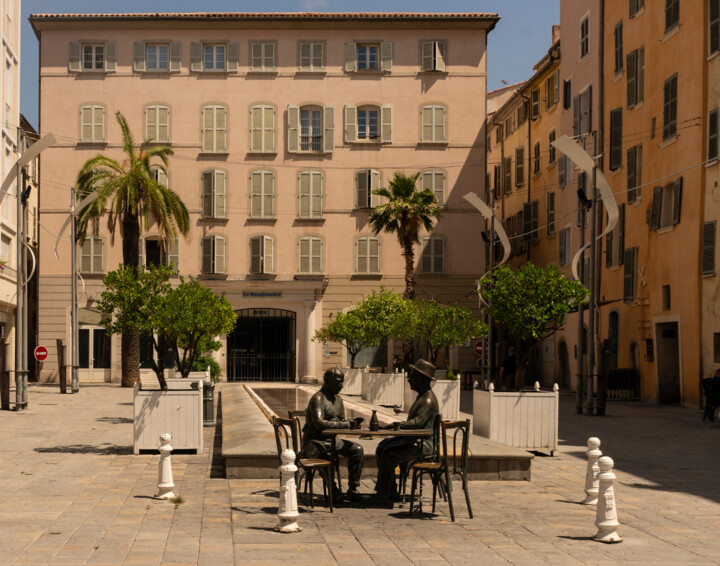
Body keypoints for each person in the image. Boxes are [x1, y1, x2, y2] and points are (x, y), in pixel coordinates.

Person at [374, 359, 440, 500]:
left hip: (424, 444)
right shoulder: (421, 397)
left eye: (413, 376)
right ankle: (390, 490)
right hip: (415, 439)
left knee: (388, 454)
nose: (409, 379)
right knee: (381, 447)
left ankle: (383, 494)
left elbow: (417, 423)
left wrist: (396, 425)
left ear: (422, 380)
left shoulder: (428, 400)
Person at [302, 367, 364, 501]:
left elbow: (341, 421)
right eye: (337, 382)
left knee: (357, 450)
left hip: (333, 440)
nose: (340, 385)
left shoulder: (339, 400)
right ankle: (332, 488)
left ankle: (353, 489)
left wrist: (352, 424)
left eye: (342, 382)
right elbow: (320, 423)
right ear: (326, 380)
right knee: (328, 454)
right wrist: (346, 424)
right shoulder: (318, 398)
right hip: (315, 442)